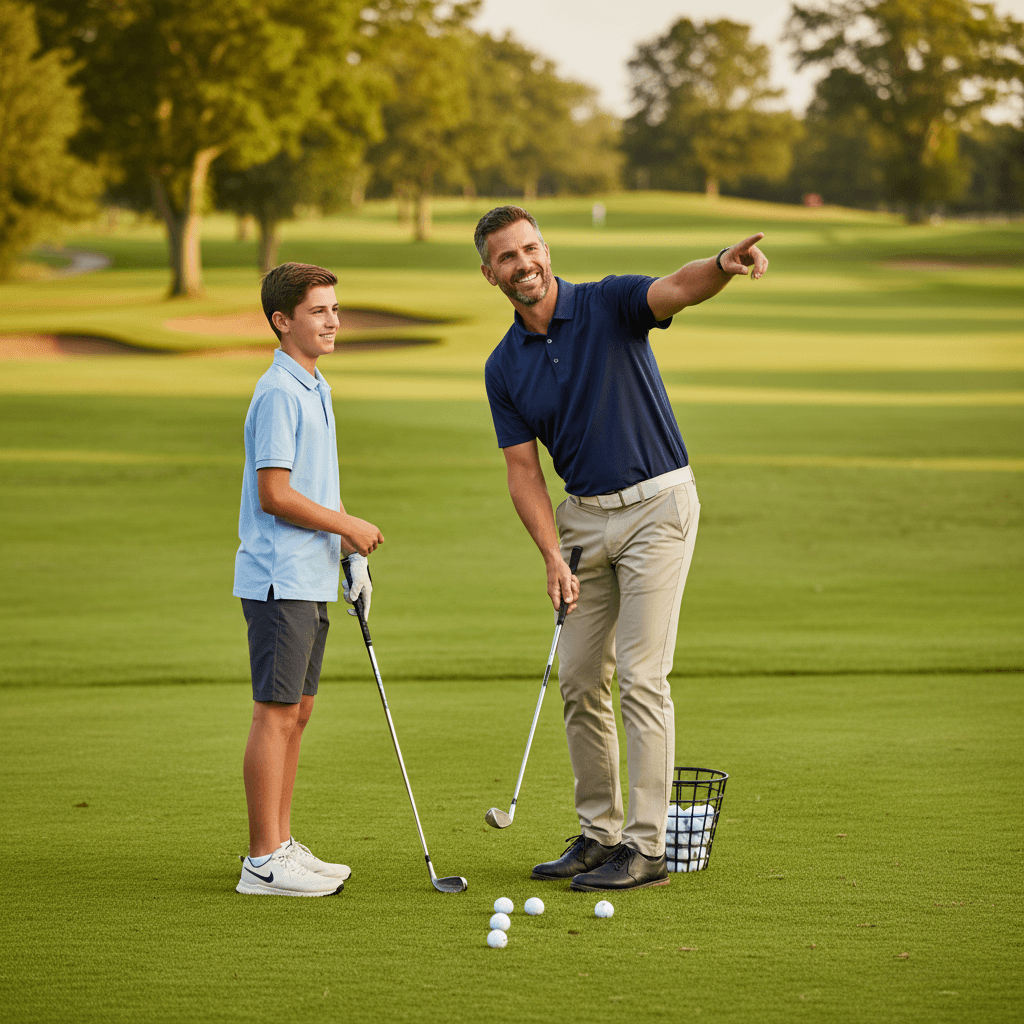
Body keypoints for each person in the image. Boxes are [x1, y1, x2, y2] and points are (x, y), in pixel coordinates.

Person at [477, 206, 767, 891]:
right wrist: (551, 553)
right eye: (507, 257)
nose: (524, 263)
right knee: (580, 679)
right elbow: (523, 472)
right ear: (489, 273)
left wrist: (722, 263)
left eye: (530, 247)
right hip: (581, 524)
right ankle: (600, 833)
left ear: (546, 249)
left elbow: (676, 287)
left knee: (640, 676)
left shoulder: (607, 303)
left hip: (658, 508)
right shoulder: (503, 367)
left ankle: (647, 847)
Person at [233, 262, 384, 896]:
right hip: (279, 578)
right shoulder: (277, 392)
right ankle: (262, 859)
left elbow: (318, 488)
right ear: (282, 320)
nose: (333, 321)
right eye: (319, 311)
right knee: (275, 713)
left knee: (299, 712)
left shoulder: (313, 386)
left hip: (312, 575)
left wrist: (350, 556)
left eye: (334, 309)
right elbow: (275, 493)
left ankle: (283, 844)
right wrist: (349, 526)